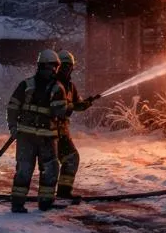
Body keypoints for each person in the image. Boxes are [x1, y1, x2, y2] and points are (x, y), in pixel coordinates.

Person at [6, 49, 69, 213]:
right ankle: (44, 203)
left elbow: (12, 107)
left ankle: (19, 203)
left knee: (25, 169)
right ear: (45, 66)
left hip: (27, 137)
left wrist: (13, 126)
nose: (53, 70)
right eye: (52, 67)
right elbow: (60, 112)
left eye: (55, 67)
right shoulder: (57, 88)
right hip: (46, 138)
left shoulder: (26, 85)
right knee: (48, 169)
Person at [54, 50, 100, 201]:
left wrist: (87, 102)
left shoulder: (70, 86)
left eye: (69, 66)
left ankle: (63, 192)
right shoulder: (51, 85)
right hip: (48, 130)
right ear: (57, 66)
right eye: (64, 66)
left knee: (71, 158)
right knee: (52, 163)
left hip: (61, 130)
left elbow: (77, 104)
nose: (66, 69)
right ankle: (48, 195)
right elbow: (58, 107)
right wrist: (73, 106)